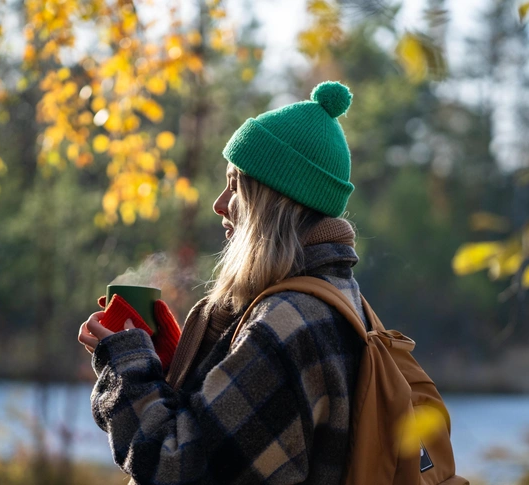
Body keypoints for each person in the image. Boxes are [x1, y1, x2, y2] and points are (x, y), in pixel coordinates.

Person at [77, 81, 369, 484]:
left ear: (271, 203)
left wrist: (128, 366)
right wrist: (174, 368)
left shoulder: (286, 323)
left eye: (235, 185)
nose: (218, 204)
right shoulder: (340, 300)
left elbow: (176, 467)